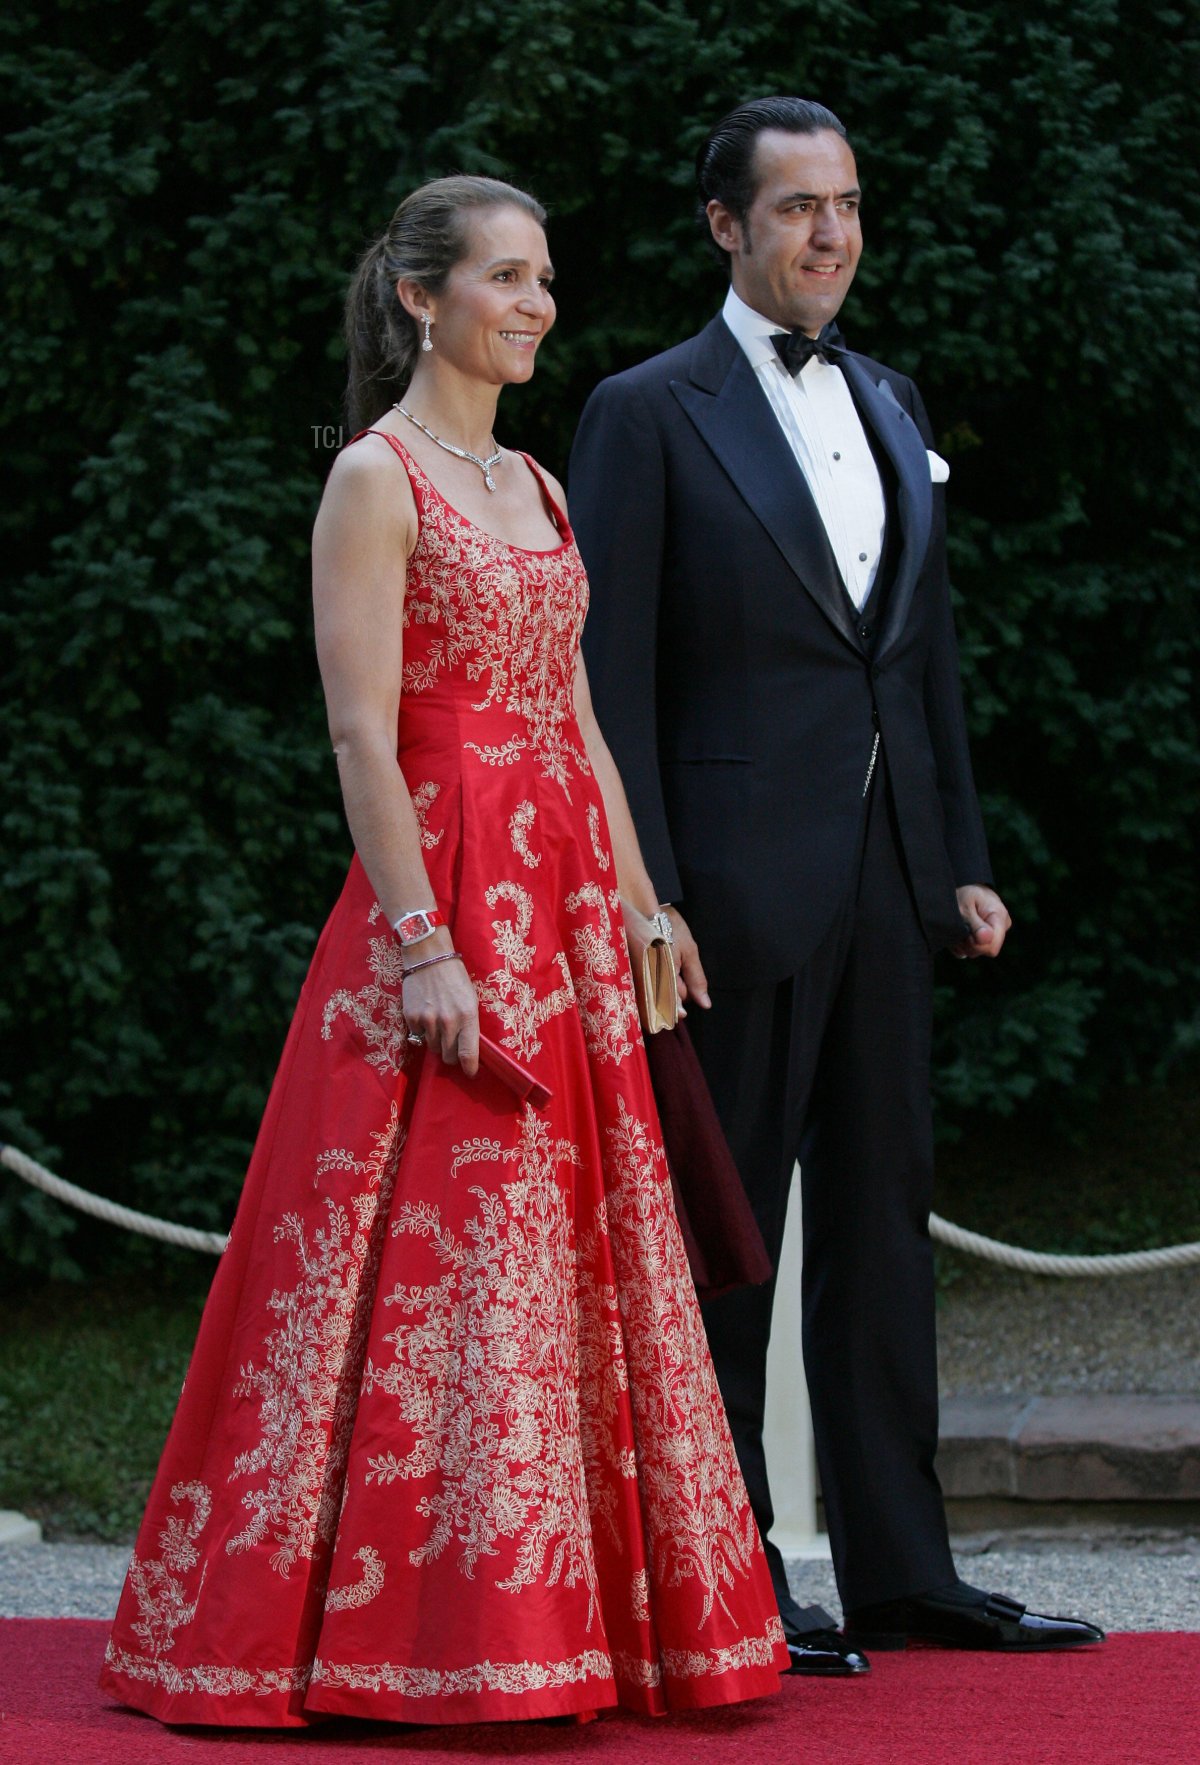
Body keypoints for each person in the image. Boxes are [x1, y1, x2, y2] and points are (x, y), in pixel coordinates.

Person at [99, 174, 789, 1729]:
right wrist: (419, 947)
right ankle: (393, 1635)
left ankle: (577, 1624)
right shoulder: (375, 475)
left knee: (572, 1251)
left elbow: (579, 716)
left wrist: (644, 900)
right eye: (505, 276)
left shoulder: (538, 483)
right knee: (430, 1250)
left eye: (544, 278)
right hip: (447, 887)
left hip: (567, 907)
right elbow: (360, 731)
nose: (537, 304)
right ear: (420, 297)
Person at [569, 98, 1104, 1675]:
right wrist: (648, 894)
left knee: (880, 1230)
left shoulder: (888, 394)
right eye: (798, 205)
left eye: (849, 203)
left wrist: (960, 860)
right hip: (721, 899)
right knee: (724, 1244)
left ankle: (905, 1573)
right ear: (725, 225)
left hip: (886, 884)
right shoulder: (643, 410)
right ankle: (724, 1571)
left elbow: (918, 656)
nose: (832, 232)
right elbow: (606, 680)